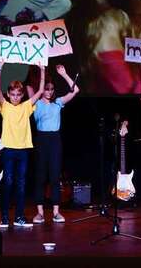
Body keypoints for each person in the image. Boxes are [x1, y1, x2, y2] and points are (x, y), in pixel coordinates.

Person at [0, 60, 44, 229]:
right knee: (8, 183)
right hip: (8, 150)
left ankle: (19, 217)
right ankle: (4, 217)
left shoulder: (26, 106)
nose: (15, 97)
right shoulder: (5, 106)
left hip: (23, 151)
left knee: (21, 185)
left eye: (18, 94)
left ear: (22, 95)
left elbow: (41, 91)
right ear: (9, 94)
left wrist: (42, 70)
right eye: (13, 94)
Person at [30, 64, 80, 224]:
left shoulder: (58, 102)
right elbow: (30, 89)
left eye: (51, 89)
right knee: (40, 176)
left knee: (54, 176)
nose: (49, 92)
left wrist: (64, 74)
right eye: (46, 89)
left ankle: (56, 212)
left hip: (55, 140)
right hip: (41, 139)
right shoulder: (36, 103)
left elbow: (76, 90)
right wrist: (41, 72)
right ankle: (40, 213)